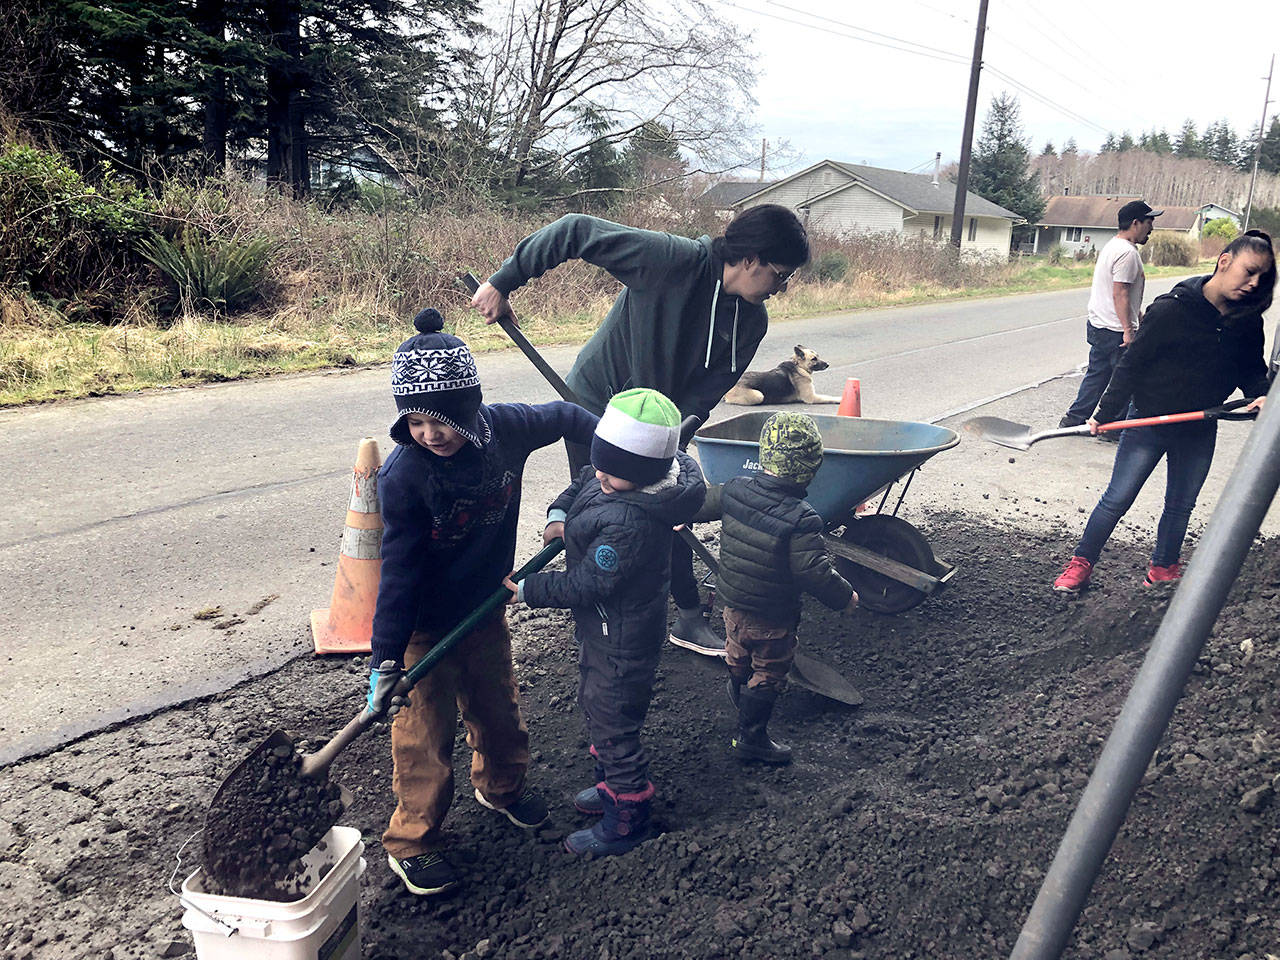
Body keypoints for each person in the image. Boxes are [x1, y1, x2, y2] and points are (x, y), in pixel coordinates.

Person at [471, 205, 811, 657]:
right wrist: (503, 281)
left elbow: (708, 392)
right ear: (752, 259)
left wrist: (672, 441)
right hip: (599, 409)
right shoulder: (670, 259)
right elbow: (577, 229)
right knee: (603, 511)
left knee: (668, 507)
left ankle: (687, 616)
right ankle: (596, 626)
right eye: (780, 274)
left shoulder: (751, 321)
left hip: (659, 425)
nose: (782, 288)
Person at [364, 307, 598, 896]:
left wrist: (606, 473)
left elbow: (573, 416)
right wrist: (384, 661)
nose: (429, 434)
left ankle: (503, 787)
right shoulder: (405, 475)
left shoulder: (507, 429)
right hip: (423, 625)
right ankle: (412, 840)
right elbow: (398, 572)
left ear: (470, 405)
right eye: (414, 421)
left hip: (485, 605)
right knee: (425, 731)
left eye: (441, 419)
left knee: (497, 706)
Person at [505, 388, 706, 857]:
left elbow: (590, 584)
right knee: (597, 706)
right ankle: (609, 785)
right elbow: (583, 481)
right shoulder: (617, 478)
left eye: (610, 472)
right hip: (603, 630)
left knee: (613, 720)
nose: (599, 474)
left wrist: (532, 589)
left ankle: (627, 818)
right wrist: (559, 515)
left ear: (641, 476)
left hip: (622, 637)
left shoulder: (632, 525)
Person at [1053, 230, 1275, 594]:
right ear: (1224, 262)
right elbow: (1131, 364)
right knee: (1117, 498)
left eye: (1262, 277)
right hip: (1149, 420)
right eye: (1249, 271)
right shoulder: (1173, 308)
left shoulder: (1246, 321)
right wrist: (1105, 414)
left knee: (1180, 504)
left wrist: (1260, 394)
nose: (1254, 283)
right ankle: (1080, 563)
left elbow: (1250, 367)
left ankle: (1163, 568)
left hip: (1199, 425)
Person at [692, 412, 858, 764]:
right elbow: (813, 571)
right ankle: (751, 739)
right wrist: (845, 597)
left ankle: (739, 694)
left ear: (764, 455)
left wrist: (677, 512)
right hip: (773, 617)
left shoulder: (735, 489)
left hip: (732, 605)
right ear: (811, 466)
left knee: (737, 652)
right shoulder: (803, 518)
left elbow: (700, 502)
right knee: (769, 670)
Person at [1058, 200, 1162, 437]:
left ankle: (1074, 421)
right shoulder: (1127, 253)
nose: (1151, 228)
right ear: (1135, 223)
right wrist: (1128, 329)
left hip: (1100, 324)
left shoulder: (1113, 246)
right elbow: (1120, 292)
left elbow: (1124, 293)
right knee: (1127, 379)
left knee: (1097, 375)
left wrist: (1138, 315)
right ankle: (1114, 429)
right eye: (1149, 222)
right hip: (1115, 330)